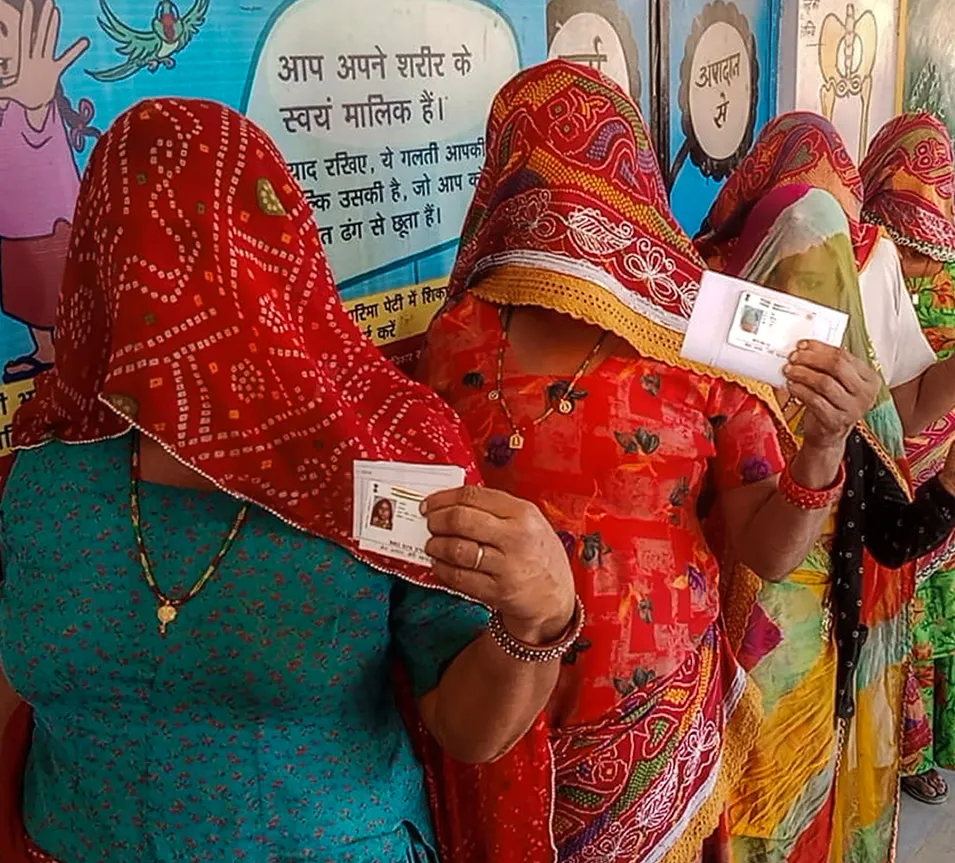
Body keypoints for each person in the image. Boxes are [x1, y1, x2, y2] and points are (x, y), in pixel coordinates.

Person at [0, 98, 578, 863]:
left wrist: (538, 617)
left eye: (201, 243)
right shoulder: (50, 455)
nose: (166, 281)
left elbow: (468, 732)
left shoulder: (388, 443)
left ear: (274, 253)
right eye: (136, 241)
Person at [416, 61, 861, 863]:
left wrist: (823, 447)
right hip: (503, 705)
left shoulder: (702, 342)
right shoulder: (460, 335)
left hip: (657, 724)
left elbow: (765, 547)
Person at [709, 183, 955, 863]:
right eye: (786, 282)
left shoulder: (854, 408)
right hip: (724, 675)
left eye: (827, 284)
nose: (805, 314)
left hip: (820, 667)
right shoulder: (709, 395)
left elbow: (892, 538)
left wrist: (949, 484)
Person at [697, 111, 955, 442]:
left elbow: (909, 409)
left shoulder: (872, 264)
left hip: (846, 524)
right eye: (794, 227)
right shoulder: (702, 281)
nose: (817, 249)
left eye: (833, 231)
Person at [858, 113, 955, 802]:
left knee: (930, 613)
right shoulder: (848, 257)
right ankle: (893, 750)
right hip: (880, 468)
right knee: (893, 615)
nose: (916, 260)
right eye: (906, 245)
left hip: (947, 463)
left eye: (925, 248)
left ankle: (922, 743)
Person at [0, 0, 97, 382]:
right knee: (27, 298)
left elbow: (37, 116)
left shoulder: (33, 101)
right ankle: (47, 351)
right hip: (17, 230)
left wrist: (37, 101)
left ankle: (74, 358)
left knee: (56, 297)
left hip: (50, 227)